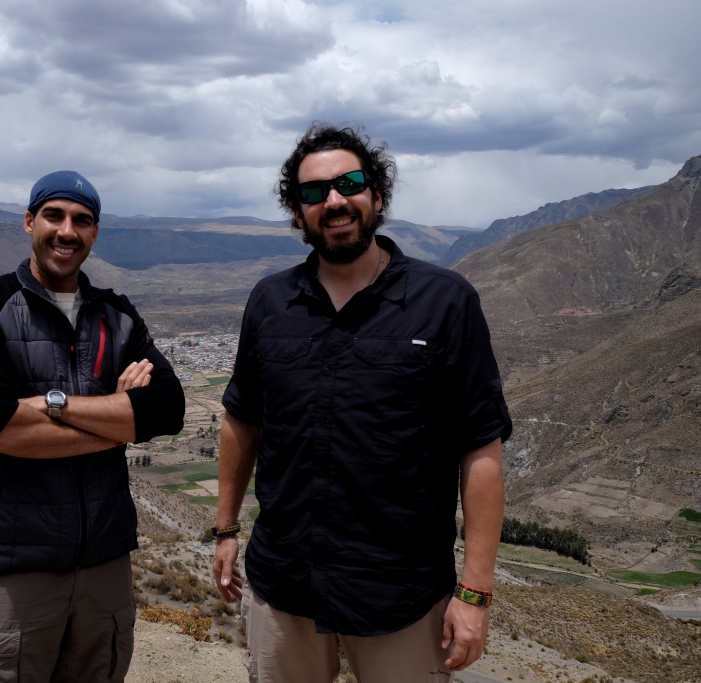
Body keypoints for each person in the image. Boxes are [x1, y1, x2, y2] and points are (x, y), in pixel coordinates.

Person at [212, 123, 512, 683]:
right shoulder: (270, 302)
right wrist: (225, 530)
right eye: (313, 192)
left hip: (402, 593)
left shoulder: (446, 302)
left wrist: (474, 593)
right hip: (285, 584)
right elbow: (242, 421)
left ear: (377, 194)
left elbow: (480, 450)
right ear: (297, 212)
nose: (334, 201)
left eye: (349, 183)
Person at [0, 170, 185, 682]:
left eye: (82, 220)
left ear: (95, 232)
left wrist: (49, 406)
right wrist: (118, 419)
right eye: (54, 215)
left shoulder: (117, 314)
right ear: (29, 222)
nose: (67, 231)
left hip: (106, 566)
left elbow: (167, 410)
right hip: (14, 564)